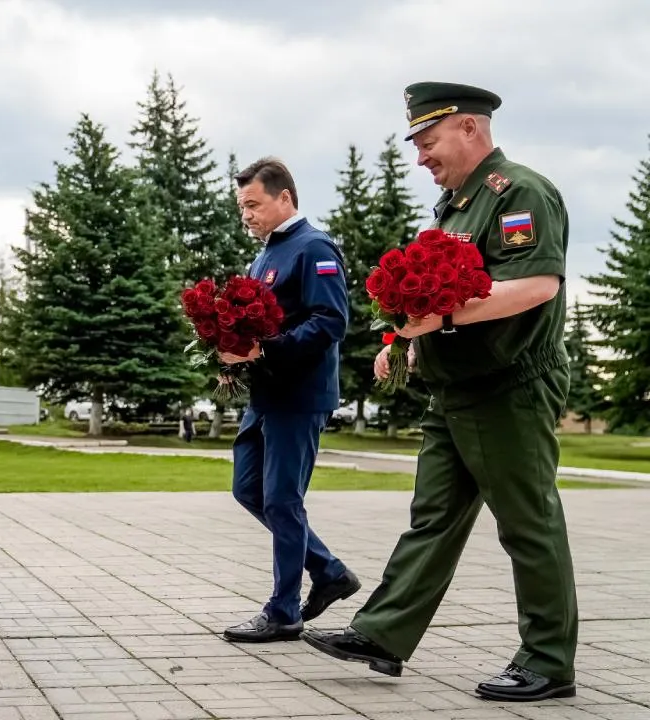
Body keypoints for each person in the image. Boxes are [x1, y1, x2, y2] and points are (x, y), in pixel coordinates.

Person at [301, 82, 578, 703]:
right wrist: (407, 341)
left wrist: (442, 320)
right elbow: (432, 298)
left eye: (428, 141)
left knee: (528, 523)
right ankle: (383, 633)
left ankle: (549, 661)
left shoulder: (520, 192)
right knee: (432, 518)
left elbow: (535, 284)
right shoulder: (454, 206)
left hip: (509, 386)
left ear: (470, 129)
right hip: (456, 387)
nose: (421, 156)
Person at [217, 157, 360, 643]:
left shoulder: (312, 247)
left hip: (299, 395)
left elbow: (330, 320)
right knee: (249, 489)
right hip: (266, 394)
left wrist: (267, 348)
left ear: (285, 198)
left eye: (253, 204)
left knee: (282, 499)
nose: (247, 215)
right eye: (241, 207)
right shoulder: (265, 255)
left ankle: (283, 613)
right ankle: (329, 570)